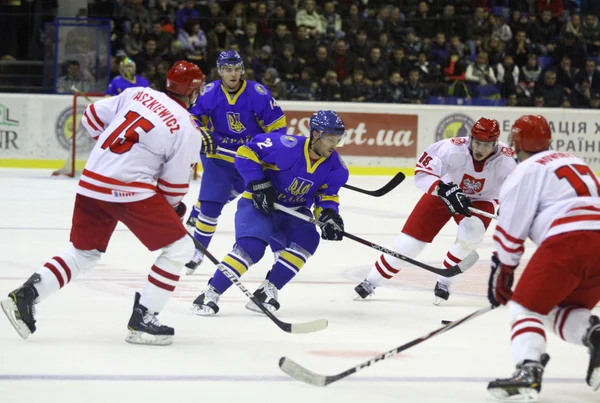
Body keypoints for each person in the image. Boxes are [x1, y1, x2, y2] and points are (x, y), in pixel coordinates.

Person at [1, 61, 215, 346]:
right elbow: (173, 188)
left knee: (84, 252)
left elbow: (90, 116)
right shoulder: (187, 128)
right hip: (129, 189)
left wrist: (116, 159)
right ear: (192, 91)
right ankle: (144, 319)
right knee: (180, 247)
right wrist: (172, 208)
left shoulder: (138, 93)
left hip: (92, 180)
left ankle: (25, 296)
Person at [487, 115, 600, 401]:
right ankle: (596, 334)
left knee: (524, 308)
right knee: (558, 308)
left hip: (570, 241)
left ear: (515, 144)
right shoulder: (575, 160)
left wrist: (504, 269)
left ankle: (528, 370)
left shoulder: (526, 170)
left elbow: (512, 228)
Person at [190, 110, 348, 315]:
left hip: (293, 211)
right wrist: (259, 184)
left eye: (338, 140)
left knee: (308, 239)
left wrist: (328, 215)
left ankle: (266, 291)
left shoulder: (337, 168)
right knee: (251, 248)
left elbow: (327, 195)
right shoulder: (285, 146)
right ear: (316, 134)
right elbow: (245, 152)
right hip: (259, 205)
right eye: (330, 139)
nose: (334, 145)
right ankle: (210, 293)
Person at [354, 118, 517, 304]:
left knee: (472, 233)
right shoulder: (452, 149)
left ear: (495, 143)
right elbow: (422, 174)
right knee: (407, 245)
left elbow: (513, 192)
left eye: (486, 145)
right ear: (470, 138)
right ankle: (371, 281)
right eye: (477, 142)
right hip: (444, 192)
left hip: (481, 199)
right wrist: (443, 189)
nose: (480, 149)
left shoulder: (507, 160)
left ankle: (445, 282)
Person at [185, 50, 287, 274]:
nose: (233, 74)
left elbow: (278, 126)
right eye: (228, 69)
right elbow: (191, 119)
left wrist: (270, 151)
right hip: (219, 158)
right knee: (211, 207)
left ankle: (279, 251)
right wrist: (201, 132)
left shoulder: (258, 93)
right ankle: (198, 251)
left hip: (250, 159)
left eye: (237, 69)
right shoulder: (208, 92)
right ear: (220, 71)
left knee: (267, 204)